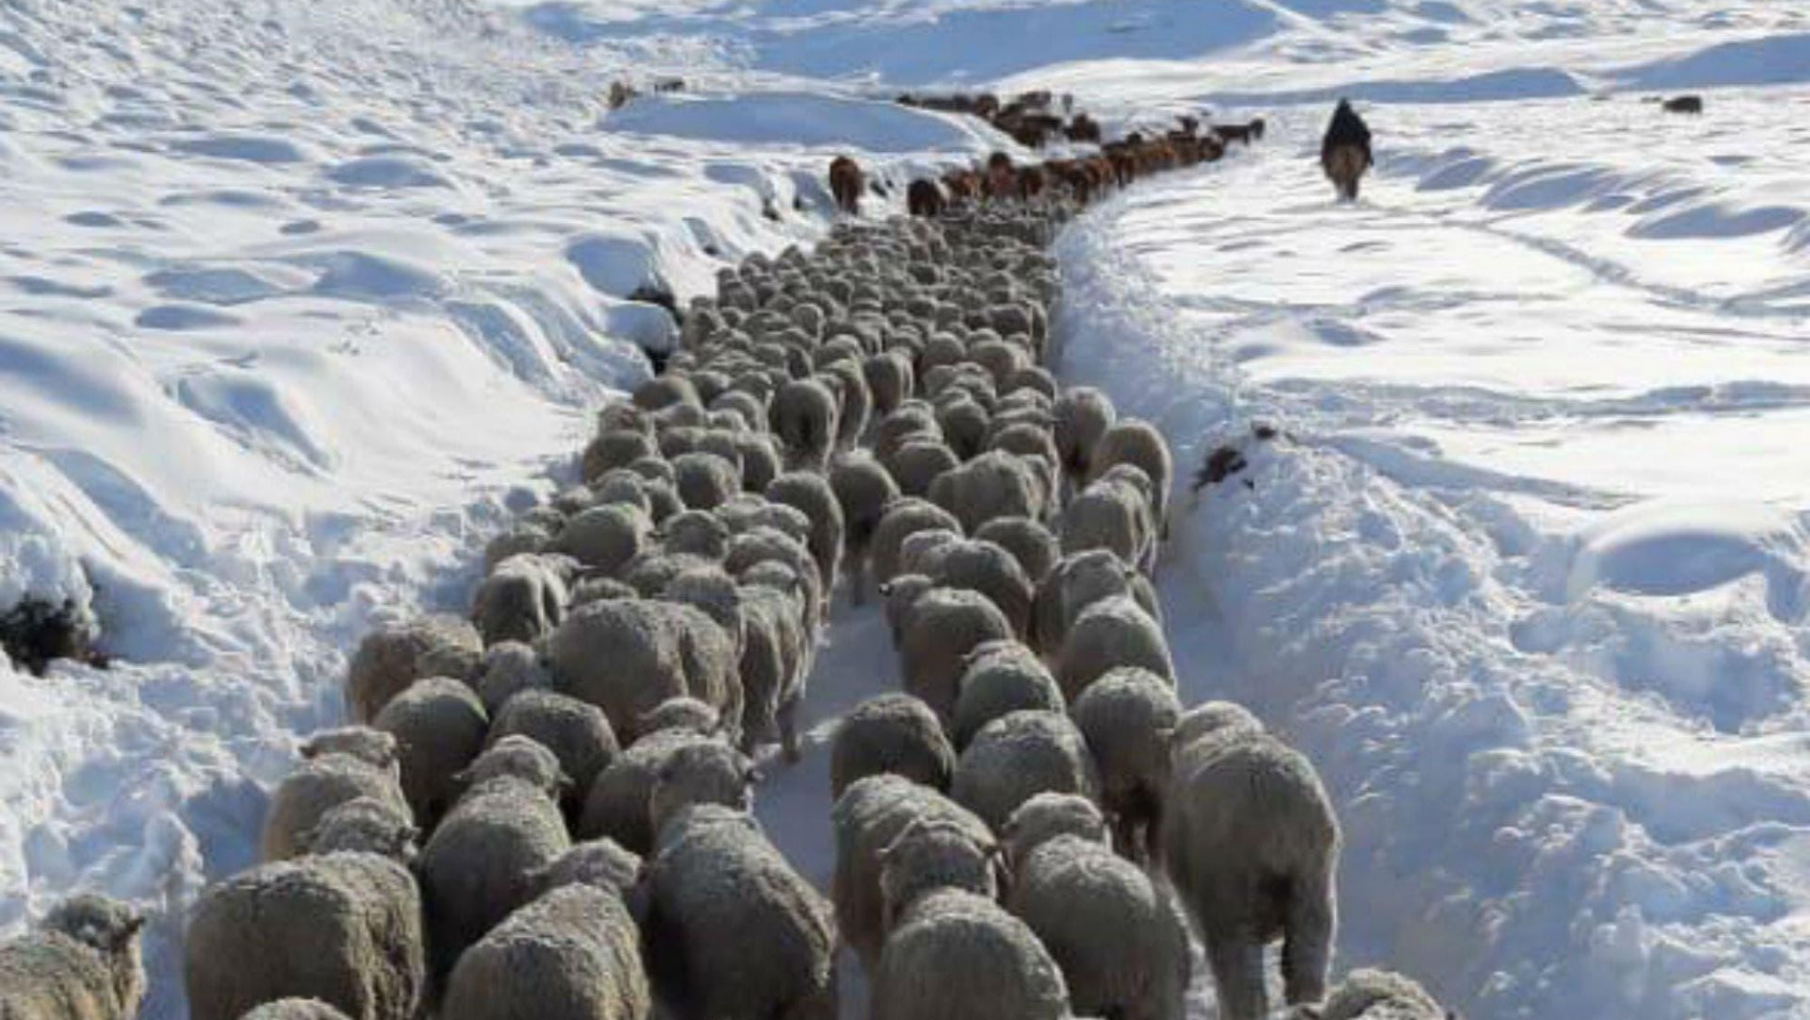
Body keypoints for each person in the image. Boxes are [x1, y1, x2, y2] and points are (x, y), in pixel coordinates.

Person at [1320, 99, 1373, 201]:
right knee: (1354, 174)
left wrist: (1324, 159)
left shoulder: (1334, 121)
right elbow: (1366, 134)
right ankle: (1352, 196)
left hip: (1337, 150)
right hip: (1355, 150)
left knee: (1338, 174)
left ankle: (1342, 195)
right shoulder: (1355, 119)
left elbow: (1327, 140)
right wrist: (1367, 154)